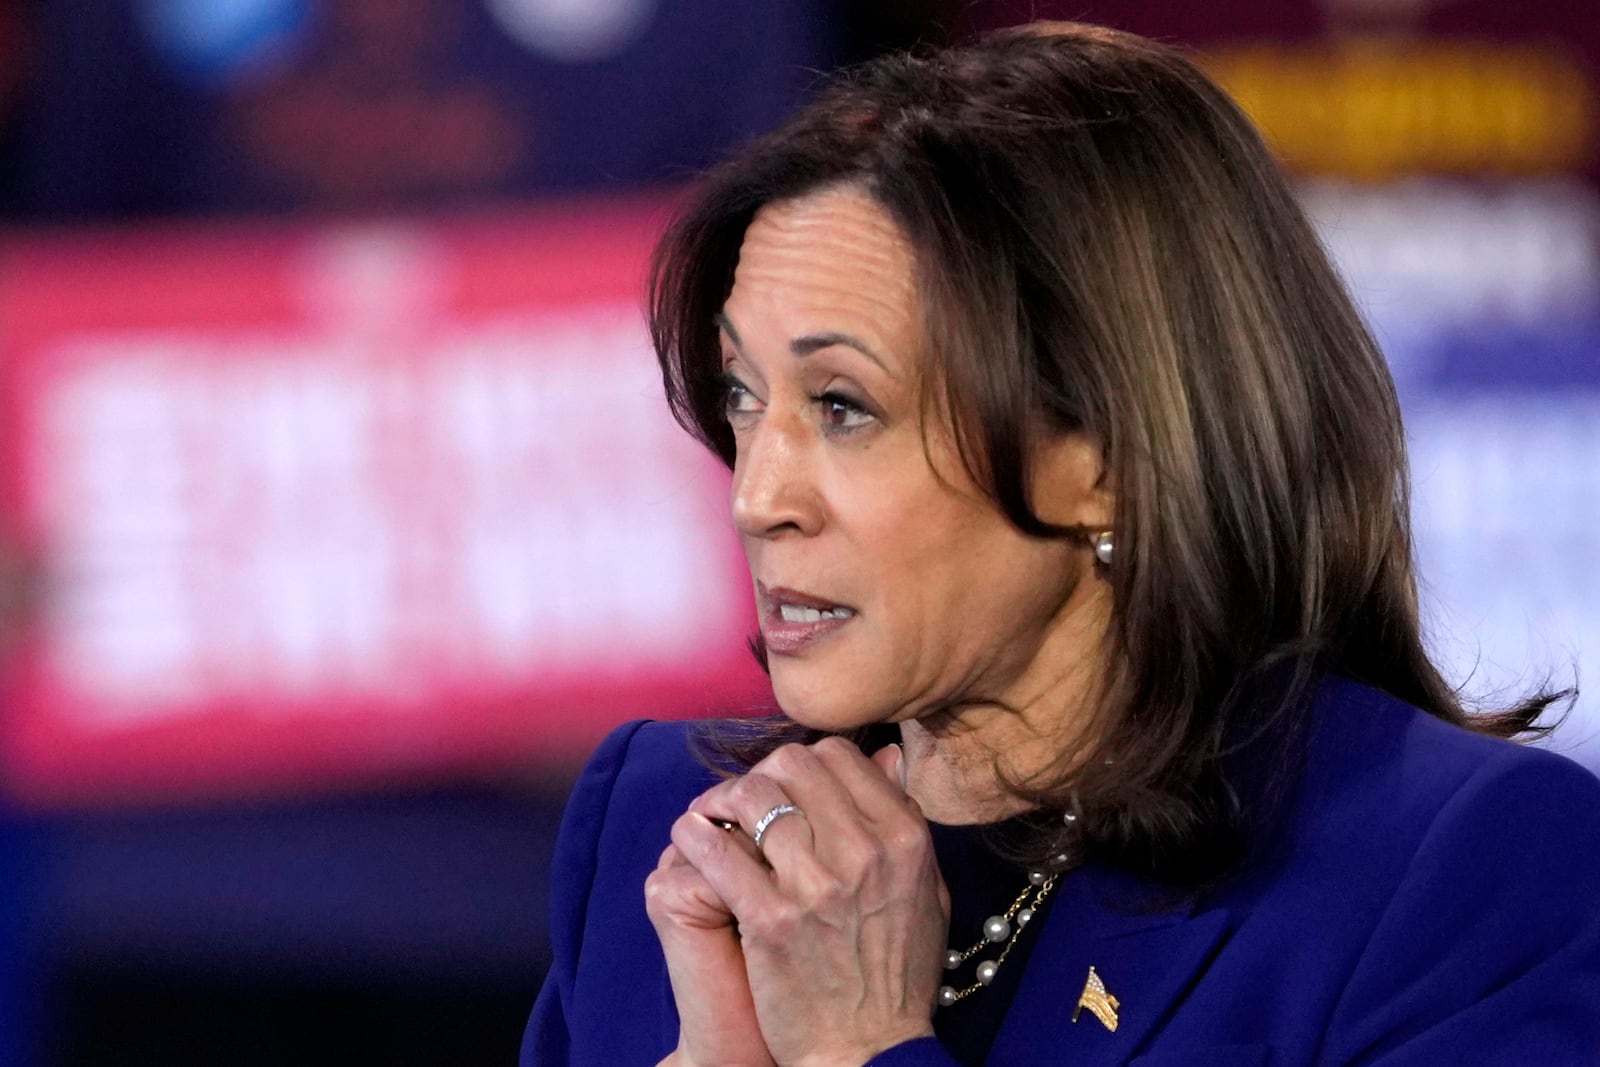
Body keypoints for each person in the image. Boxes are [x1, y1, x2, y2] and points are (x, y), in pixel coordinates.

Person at [522, 21, 1600, 1067]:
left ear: (1110, 456)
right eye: (741, 395)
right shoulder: (664, 829)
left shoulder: (1452, 867)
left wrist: (860, 1047)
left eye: (844, 406)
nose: (755, 496)